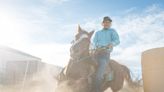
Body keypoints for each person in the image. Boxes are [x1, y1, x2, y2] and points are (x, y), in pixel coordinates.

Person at [91, 16, 120, 92]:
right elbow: (93, 42)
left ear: (110, 24)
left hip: (105, 54)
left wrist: (112, 43)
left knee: (102, 66)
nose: (107, 23)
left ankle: (96, 89)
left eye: (109, 22)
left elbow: (117, 40)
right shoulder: (98, 33)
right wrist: (96, 47)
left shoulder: (112, 31)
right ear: (102, 23)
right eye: (105, 22)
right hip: (95, 53)